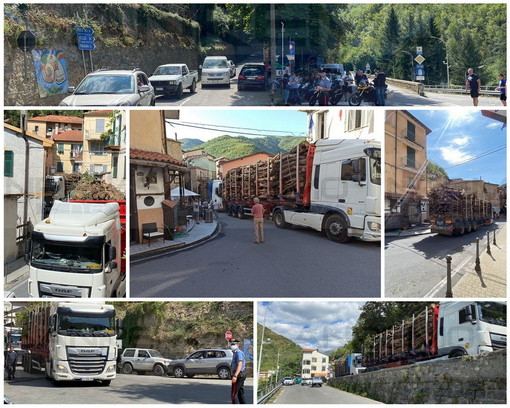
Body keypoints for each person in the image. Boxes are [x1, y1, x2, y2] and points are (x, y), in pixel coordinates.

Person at [230, 339, 246, 404]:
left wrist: (235, 376)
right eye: (231, 344)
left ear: (238, 345)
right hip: (239, 374)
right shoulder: (235, 353)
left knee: (234, 394)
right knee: (240, 393)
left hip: (239, 375)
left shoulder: (238, 353)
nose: (232, 345)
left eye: (234, 344)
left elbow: (240, 365)